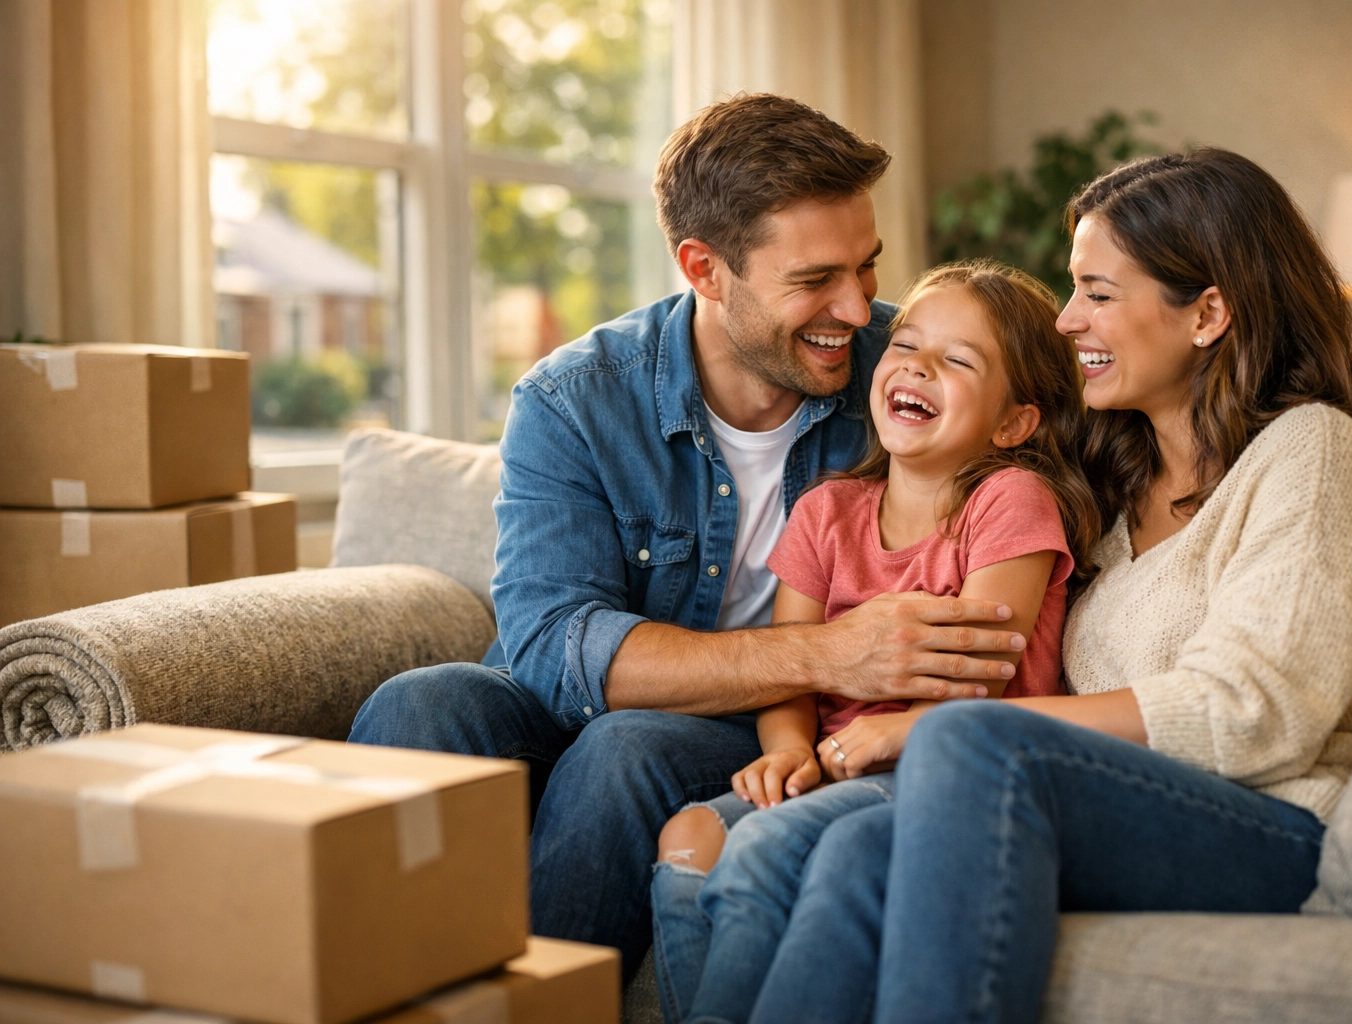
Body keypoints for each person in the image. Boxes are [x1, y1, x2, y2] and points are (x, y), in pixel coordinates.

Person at [680, 148, 1352, 1024]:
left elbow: (1253, 713)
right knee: (857, 848)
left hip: (1277, 824)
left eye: (1098, 293)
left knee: (968, 743)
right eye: (1072, 289)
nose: (1066, 320)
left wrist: (953, 726)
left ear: (1208, 313)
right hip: (1116, 804)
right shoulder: (1113, 488)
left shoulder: (1311, 451)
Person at [346, 93, 1027, 980]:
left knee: (627, 749)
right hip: (673, 691)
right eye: (815, 279)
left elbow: (1059, 427)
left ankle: (540, 1006)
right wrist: (830, 653)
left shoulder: (913, 373)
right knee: (419, 703)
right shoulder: (575, 398)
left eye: (867, 267)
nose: (859, 309)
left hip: (770, 728)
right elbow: (554, 649)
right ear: (704, 268)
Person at [646, 261, 1101, 1024]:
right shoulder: (828, 512)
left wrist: (883, 733)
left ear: (1015, 423)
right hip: (835, 766)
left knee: (763, 849)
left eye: (958, 361)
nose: (918, 365)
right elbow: (789, 664)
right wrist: (787, 747)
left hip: (937, 772)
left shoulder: (1008, 501)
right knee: (689, 835)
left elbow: (981, 675)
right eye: (907, 344)